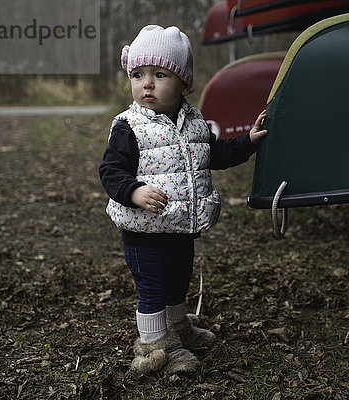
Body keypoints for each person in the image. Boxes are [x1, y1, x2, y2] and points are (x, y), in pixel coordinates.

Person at [98, 25, 267, 375]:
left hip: (180, 226)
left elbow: (214, 153)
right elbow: (111, 171)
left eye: (159, 74)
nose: (147, 83)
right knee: (153, 288)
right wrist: (134, 191)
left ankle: (178, 330)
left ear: (184, 84)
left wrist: (247, 141)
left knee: (178, 282)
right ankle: (154, 348)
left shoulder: (194, 123)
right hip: (144, 231)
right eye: (138, 74)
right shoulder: (128, 126)